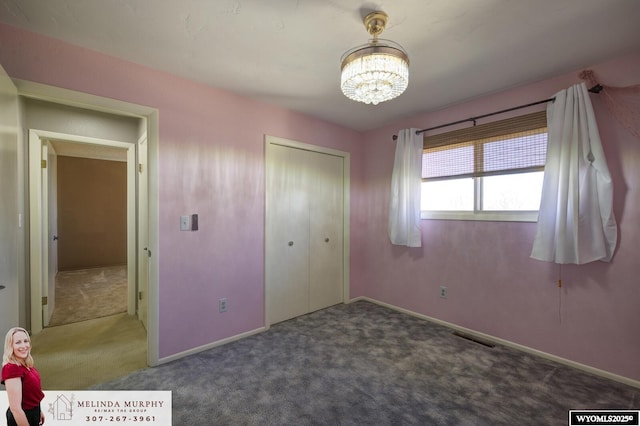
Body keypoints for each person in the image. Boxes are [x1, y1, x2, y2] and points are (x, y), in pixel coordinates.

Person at [2, 328, 45, 426]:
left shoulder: (25, 364)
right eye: (18, 342)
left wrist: (38, 411)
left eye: (26, 341)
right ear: (10, 346)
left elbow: (30, 395)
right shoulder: (11, 368)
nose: (23, 346)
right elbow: (15, 409)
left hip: (33, 414)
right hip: (22, 418)